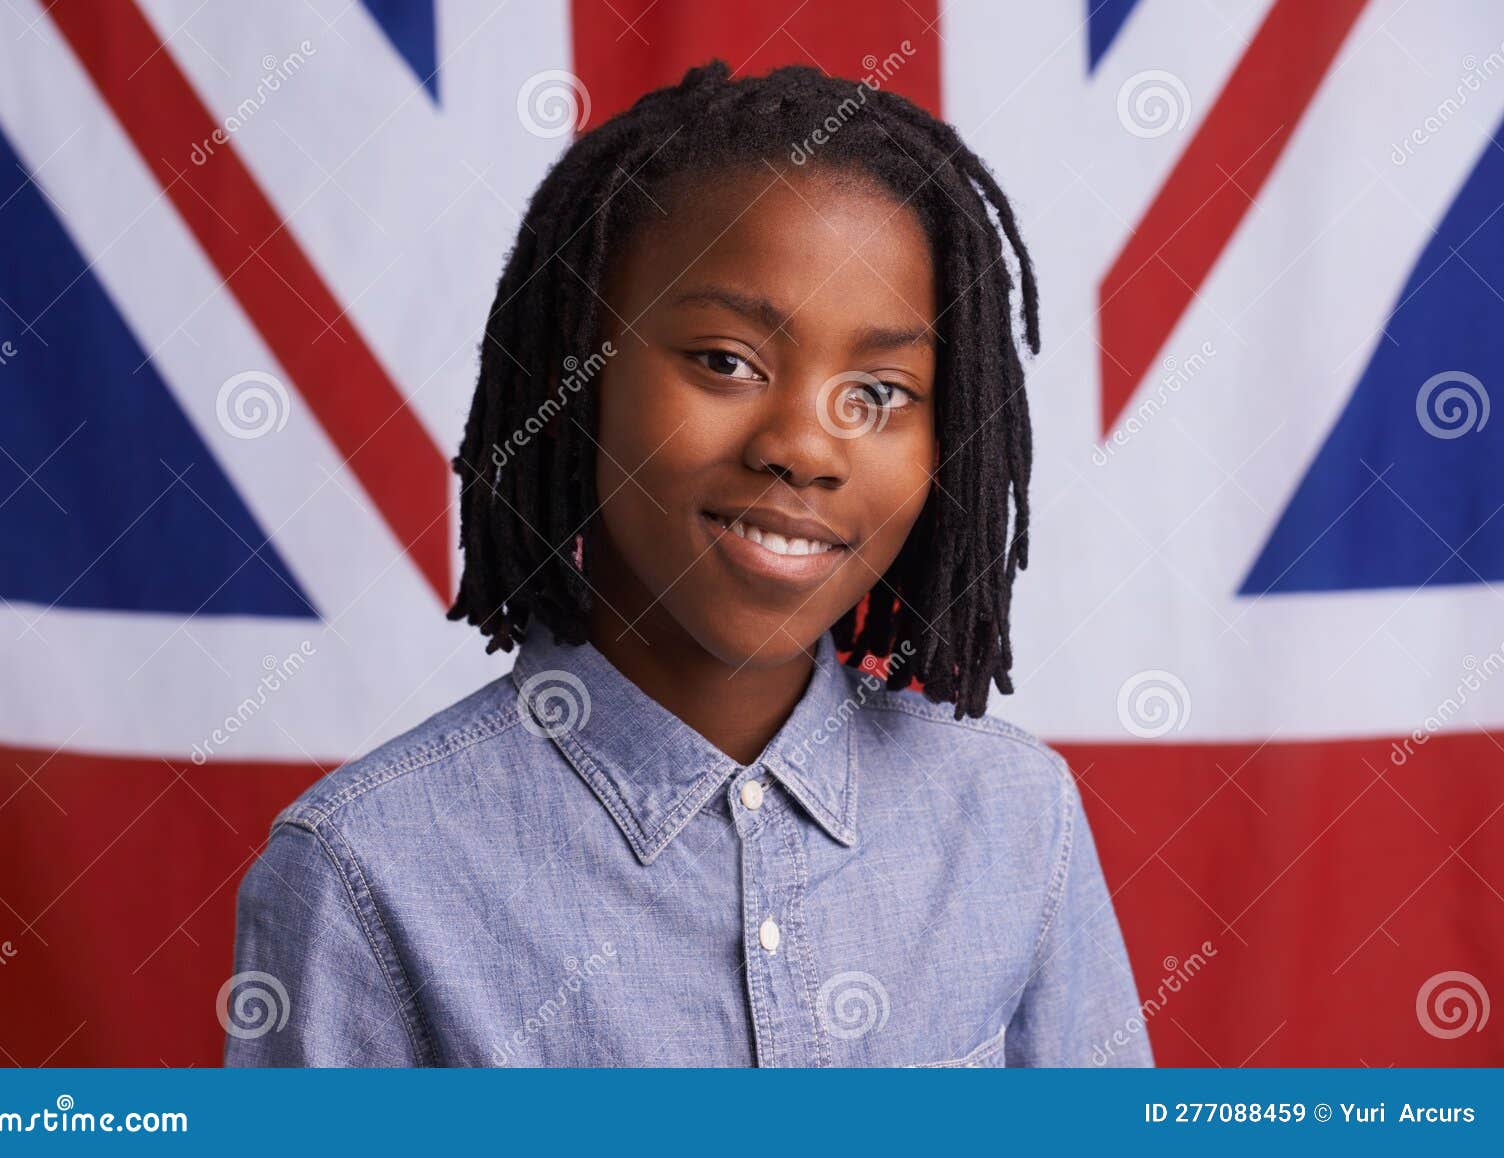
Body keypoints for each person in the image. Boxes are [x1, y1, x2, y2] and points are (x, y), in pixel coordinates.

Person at [224, 60, 1152, 1068]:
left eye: (880, 392)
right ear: (574, 379)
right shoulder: (369, 869)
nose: (804, 444)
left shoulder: (1014, 818)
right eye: (725, 362)